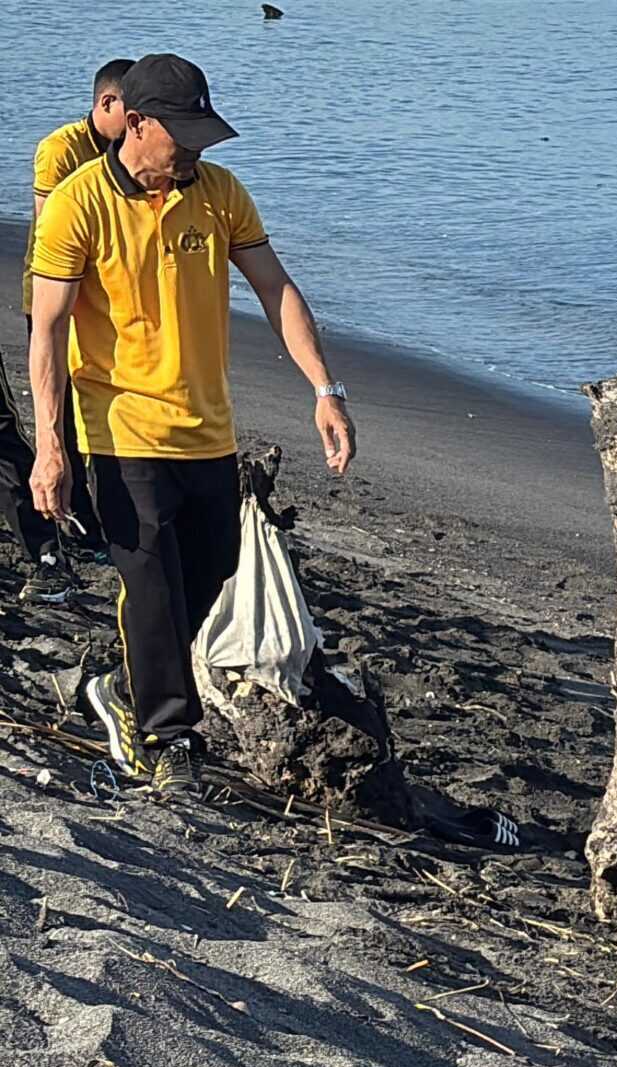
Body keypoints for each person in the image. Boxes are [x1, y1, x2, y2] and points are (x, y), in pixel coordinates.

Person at [27, 53, 357, 794]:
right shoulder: (79, 203)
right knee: (149, 580)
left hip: (206, 426)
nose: (195, 152)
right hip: (117, 424)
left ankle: (120, 686)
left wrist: (325, 388)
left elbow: (275, 289)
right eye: (184, 135)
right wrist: (51, 445)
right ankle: (166, 737)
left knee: (210, 572)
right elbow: (46, 331)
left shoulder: (219, 193)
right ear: (136, 124)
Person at [6, 57, 130, 593]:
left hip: (105, 300)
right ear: (106, 103)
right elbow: (49, 231)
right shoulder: (61, 149)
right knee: (60, 406)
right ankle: (73, 517)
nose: (138, 125)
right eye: (132, 112)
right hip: (54, 294)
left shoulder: (125, 150)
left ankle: (92, 514)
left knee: (97, 405)